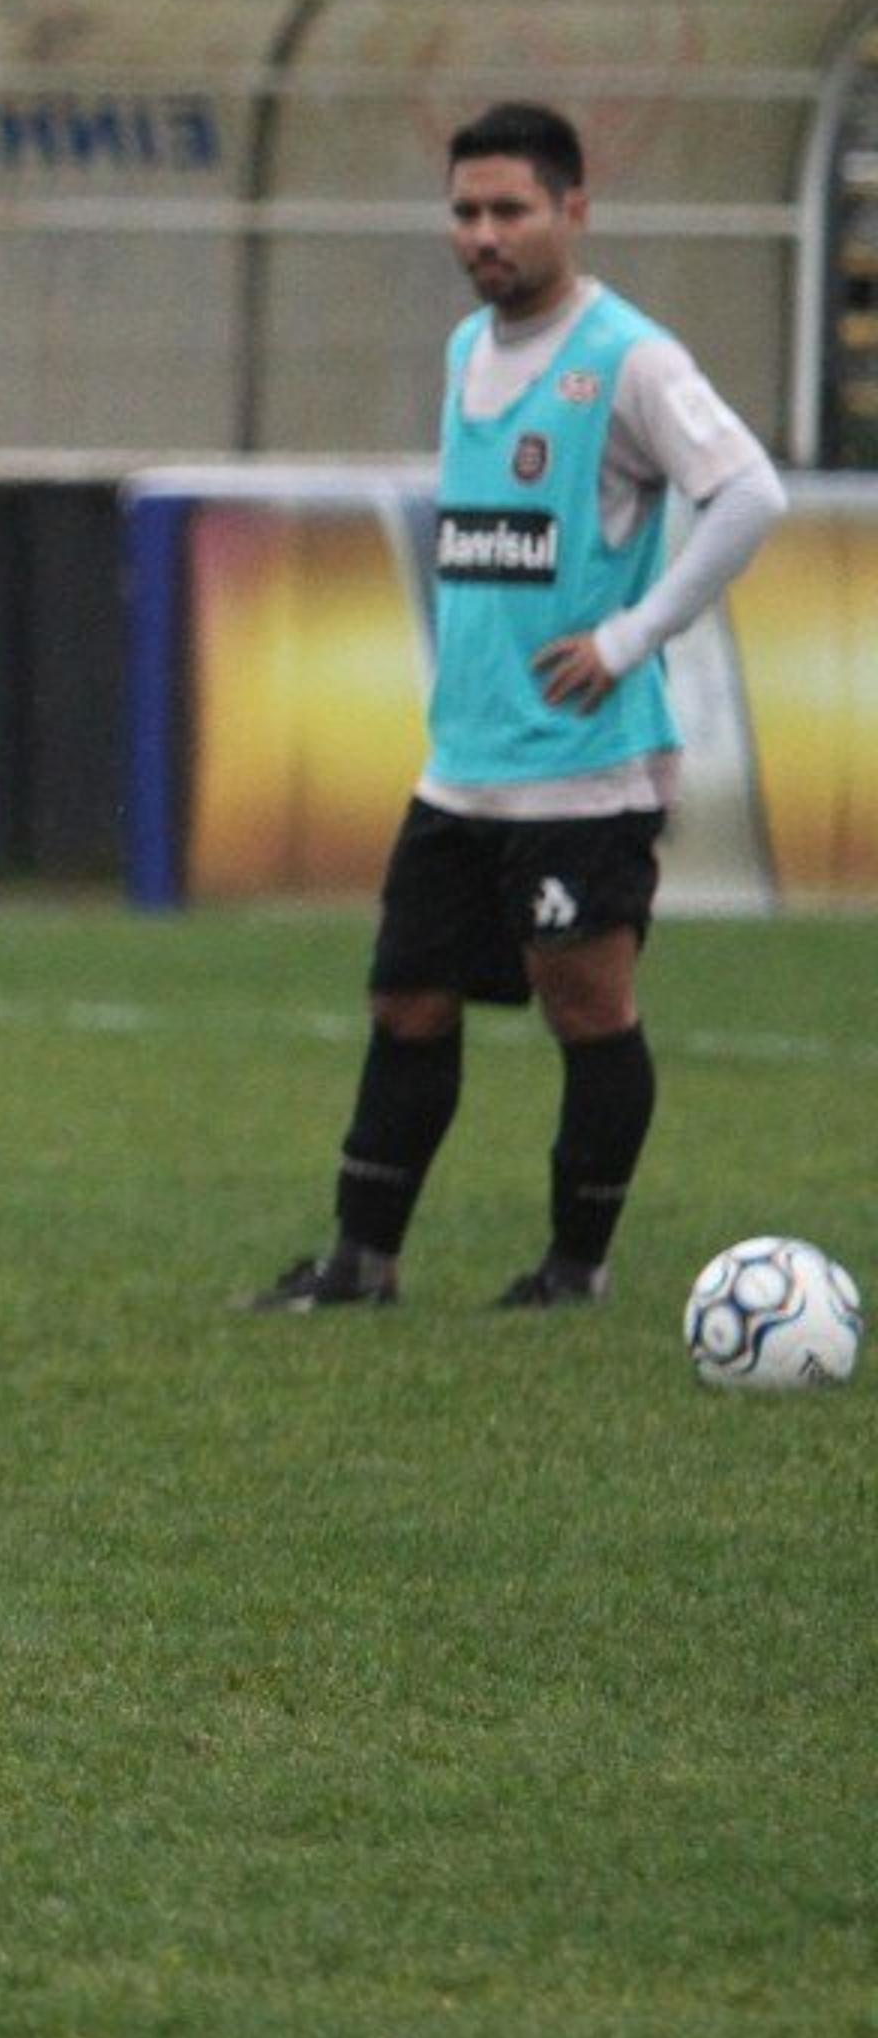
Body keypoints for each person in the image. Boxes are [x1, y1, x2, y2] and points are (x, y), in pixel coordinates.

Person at [252, 100, 786, 1314]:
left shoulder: (631, 359)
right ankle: (361, 1264)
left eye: (510, 210)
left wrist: (632, 634)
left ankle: (574, 1269)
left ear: (573, 212)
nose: (484, 235)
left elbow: (750, 495)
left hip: (585, 768)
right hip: (464, 763)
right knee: (407, 998)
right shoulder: (465, 352)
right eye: (465, 212)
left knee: (586, 1006)